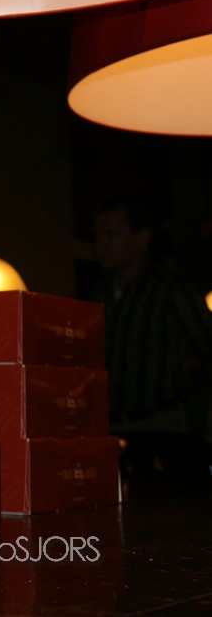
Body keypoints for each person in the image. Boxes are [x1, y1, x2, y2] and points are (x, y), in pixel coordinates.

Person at [90, 198, 212, 496]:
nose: (102, 245)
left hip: (162, 427)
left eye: (112, 235)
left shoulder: (170, 289)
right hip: (110, 429)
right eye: (98, 236)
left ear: (142, 237)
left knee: (165, 509)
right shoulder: (100, 291)